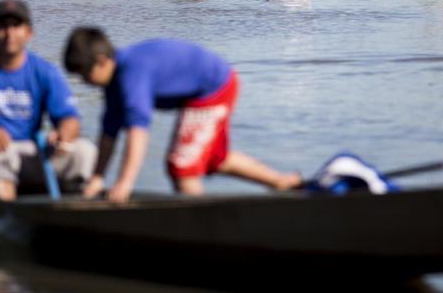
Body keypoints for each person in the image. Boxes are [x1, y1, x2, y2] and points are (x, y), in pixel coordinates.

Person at [62, 27, 302, 203]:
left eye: (84, 74)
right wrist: (97, 179)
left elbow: (138, 132)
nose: (84, 82)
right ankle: (281, 182)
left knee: (182, 165)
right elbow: (109, 135)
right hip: (208, 87)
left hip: (214, 87)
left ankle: (201, 229)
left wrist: (124, 184)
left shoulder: (131, 74)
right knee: (212, 160)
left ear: (102, 61)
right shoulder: (114, 84)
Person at [0, 0, 96, 201]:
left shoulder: (45, 71)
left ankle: (77, 213)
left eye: (16, 26)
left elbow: (69, 118)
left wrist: (62, 136)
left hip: (30, 150)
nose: (10, 33)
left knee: (85, 151)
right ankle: (9, 219)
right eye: (3, 26)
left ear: (29, 32)